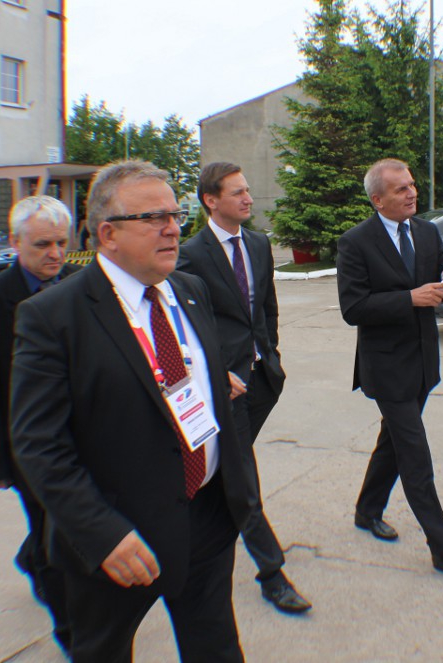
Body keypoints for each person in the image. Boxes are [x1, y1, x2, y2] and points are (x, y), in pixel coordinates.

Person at [10, 161, 253, 662]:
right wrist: (103, 534)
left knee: (217, 648)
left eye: (175, 214)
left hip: (206, 516)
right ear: (108, 234)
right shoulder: (54, 316)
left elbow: (180, 380)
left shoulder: (190, 290)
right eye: (153, 217)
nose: (172, 227)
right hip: (121, 536)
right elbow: (39, 445)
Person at [336, 158, 443, 576]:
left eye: (412, 185)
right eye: (401, 189)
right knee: (415, 454)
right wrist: (409, 298)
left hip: (423, 361)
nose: (412, 193)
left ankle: (367, 509)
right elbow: (353, 308)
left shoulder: (425, 231)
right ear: (378, 200)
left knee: (393, 442)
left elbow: (442, 284)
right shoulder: (355, 242)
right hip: (386, 367)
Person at [178, 162, 311, 614]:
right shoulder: (192, 254)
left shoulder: (257, 243)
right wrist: (215, 371)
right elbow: (187, 324)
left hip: (262, 377)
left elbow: (266, 305)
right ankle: (272, 572)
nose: (248, 198)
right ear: (211, 200)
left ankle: (193, 535)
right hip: (225, 384)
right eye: (237, 192)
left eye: (248, 190)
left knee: (224, 472)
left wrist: (271, 352)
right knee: (240, 475)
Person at [0, 195, 79, 652]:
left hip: (81, 436)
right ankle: (70, 632)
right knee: (55, 540)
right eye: (42, 244)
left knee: (67, 525)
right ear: (14, 242)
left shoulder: (77, 284)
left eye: (61, 243)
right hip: (30, 445)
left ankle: (31, 556)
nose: (55, 253)